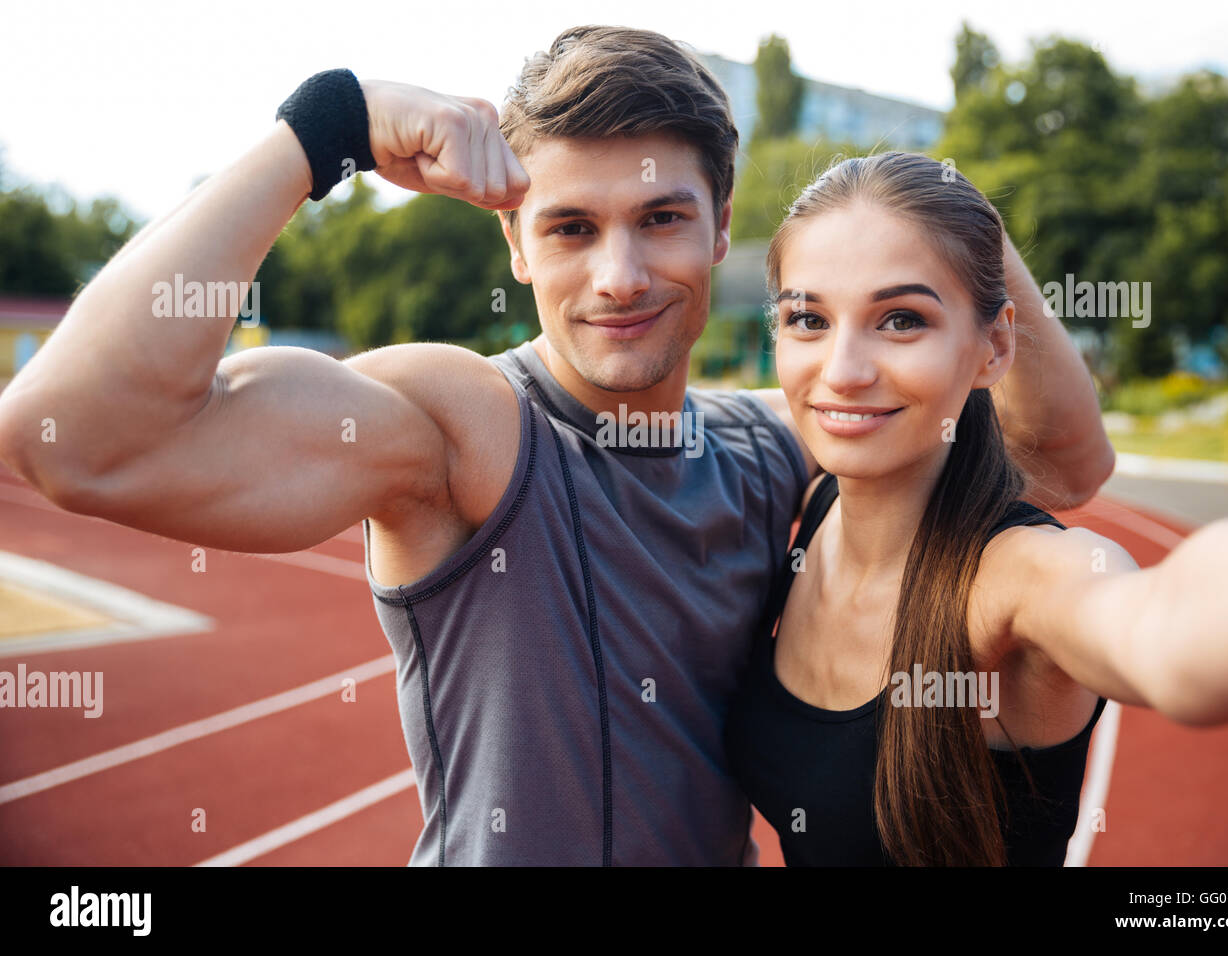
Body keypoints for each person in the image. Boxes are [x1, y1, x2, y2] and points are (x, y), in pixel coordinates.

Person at [0, 27, 1114, 865]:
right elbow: (75, 441)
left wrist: (943, 215)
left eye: (661, 219)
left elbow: (1058, 461)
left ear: (723, 228)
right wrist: (323, 127)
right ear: (516, 243)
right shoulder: (460, 423)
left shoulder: (763, 444)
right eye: (572, 228)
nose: (620, 276)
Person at [722, 151, 1228, 866]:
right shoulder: (814, 497)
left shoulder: (1014, 578)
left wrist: (963, 210)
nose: (842, 371)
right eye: (807, 318)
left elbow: (1169, 632)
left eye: (901, 319)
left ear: (995, 347)